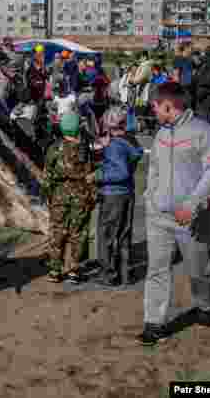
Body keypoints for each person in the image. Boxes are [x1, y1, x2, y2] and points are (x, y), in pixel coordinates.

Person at [138, 82, 210, 346]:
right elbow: (154, 168)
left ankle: (205, 307)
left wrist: (193, 205)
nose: (153, 111)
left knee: (199, 270)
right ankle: (154, 323)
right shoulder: (161, 134)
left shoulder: (204, 132)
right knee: (156, 270)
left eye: (154, 107)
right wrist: (150, 197)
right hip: (159, 217)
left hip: (193, 218)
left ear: (167, 106)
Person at [42, 112, 96, 284]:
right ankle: (74, 270)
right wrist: (92, 196)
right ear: (77, 128)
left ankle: (54, 270)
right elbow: (90, 174)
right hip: (80, 196)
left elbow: (47, 178)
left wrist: (49, 197)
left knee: (57, 232)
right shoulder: (83, 149)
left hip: (59, 196)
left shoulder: (53, 148)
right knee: (78, 233)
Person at [93, 106, 143, 286]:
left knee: (106, 235)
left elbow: (120, 172)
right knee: (124, 234)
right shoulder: (131, 141)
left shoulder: (115, 146)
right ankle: (125, 273)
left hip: (113, 194)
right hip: (127, 193)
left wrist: (98, 176)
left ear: (109, 124)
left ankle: (108, 274)